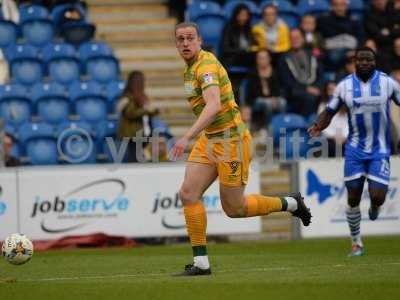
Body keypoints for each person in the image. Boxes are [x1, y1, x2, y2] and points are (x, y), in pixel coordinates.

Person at [171, 22, 312, 276]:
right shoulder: (189, 69)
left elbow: (213, 105)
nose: (185, 43)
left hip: (231, 142)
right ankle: (201, 263)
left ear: (200, 40)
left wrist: (186, 137)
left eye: (190, 38)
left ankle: (291, 203)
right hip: (210, 139)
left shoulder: (206, 66)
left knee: (234, 209)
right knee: (188, 193)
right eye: (180, 39)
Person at [308, 47, 400, 256]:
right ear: (355, 62)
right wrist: (317, 126)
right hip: (355, 150)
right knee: (353, 197)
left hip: (380, 149)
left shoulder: (388, 83)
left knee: (377, 196)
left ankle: (376, 207)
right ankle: (356, 242)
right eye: (361, 59)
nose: (365, 62)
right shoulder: (345, 86)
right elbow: (329, 111)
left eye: (369, 59)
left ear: (375, 62)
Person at [279, 29, 323, 117]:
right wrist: (306, 88)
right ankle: (307, 125)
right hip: (294, 91)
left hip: (314, 88)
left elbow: (320, 74)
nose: (295, 40)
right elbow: (287, 81)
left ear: (303, 39)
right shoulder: (284, 58)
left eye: (297, 38)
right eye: (292, 38)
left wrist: (318, 88)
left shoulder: (313, 55)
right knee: (309, 97)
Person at [116, 71, 158, 163]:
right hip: (132, 134)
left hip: (144, 133)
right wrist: (146, 110)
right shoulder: (127, 97)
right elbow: (130, 113)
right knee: (134, 158)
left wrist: (153, 111)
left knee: (143, 157)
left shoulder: (142, 96)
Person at [317, 0, 363, 71]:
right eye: (336, 5)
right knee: (333, 57)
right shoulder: (323, 20)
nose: (339, 8)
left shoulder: (354, 20)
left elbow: (360, 37)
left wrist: (355, 51)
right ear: (332, 7)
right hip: (333, 52)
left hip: (351, 50)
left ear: (346, 6)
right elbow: (321, 38)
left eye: (342, 5)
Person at [245, 49, 285, 129]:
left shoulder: (275, 72)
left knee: (282, 102)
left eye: (264, 58)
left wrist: (275, 97)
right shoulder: (253, 74)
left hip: (274, 98)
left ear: (269, 59)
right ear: (256, 60)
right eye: (260, 58)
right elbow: (251, 93)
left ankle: (281, 125)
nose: (262, 60)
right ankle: (269, 127)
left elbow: (280, 89)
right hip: (257, 100)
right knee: (268, 103)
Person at [220, 3, 256, 69]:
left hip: (246, 57)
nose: (243, 18)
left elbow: (253, 44)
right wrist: (240, 51)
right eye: (241, 15)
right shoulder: (229, 28)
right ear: (236, 15)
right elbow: (225, 48)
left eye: (245, 15)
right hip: (233, 58)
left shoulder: (249, 28)